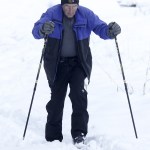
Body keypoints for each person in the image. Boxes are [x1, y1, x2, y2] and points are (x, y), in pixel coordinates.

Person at [32, 0, 121, 145]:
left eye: (74, 6)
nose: (70, 10)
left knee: (79, 96)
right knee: (56, 100)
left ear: (78, 6)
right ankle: (53, 138)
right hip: (57, 65)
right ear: (62, 6)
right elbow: (36, 30)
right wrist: (43, 29)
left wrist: (110, 31)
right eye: (67, 6)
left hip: (78, 64)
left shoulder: (85, 14)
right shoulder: (52, 14)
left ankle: (79, 133)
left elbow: (101, 28)